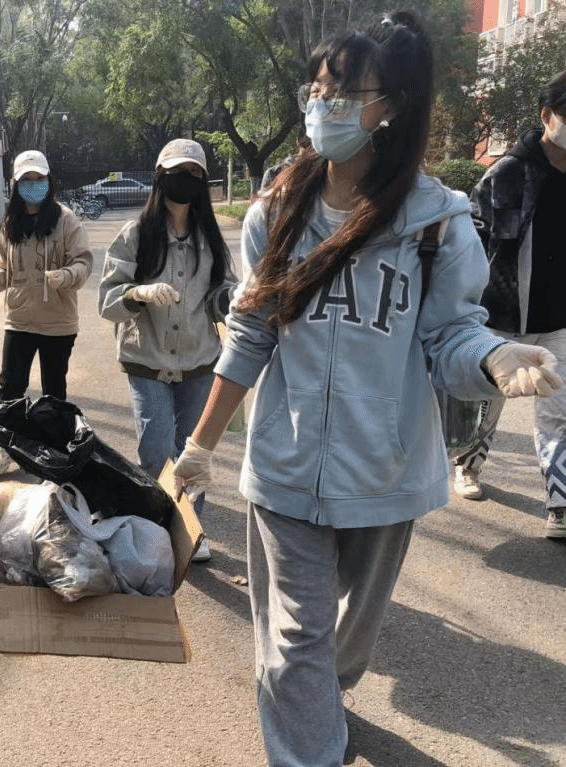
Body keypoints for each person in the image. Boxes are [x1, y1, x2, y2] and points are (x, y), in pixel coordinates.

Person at [171, 13, 561, 766]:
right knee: (295, 642)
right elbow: (250, 335)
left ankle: (320, 704)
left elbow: (449, 337)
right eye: (317, 89)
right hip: (285, 468)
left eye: (344, 92)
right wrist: (200, 446)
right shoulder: (275, 212)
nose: (324, 105)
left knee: (341, 647)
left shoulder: (435, 222)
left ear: (390, 107)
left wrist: (493, 356)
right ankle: (310, 744)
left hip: (384, 474)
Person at [97, 138, 235, 563]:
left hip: (198, 360)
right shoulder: (135, 235)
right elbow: (107, 301)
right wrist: (137, 294)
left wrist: (235, 299)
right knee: (156, 450)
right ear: (160, 177)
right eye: (177, 172)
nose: (185, 180)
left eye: (194, 173)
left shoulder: (210, 238)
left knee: (192, 451)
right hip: (148, 360)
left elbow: (221, 295)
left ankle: (191, 530)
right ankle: (157, 528)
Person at [450, 70, 566, 537]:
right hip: (503, 315)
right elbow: (472, 239)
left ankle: (560, 502)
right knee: (487, 404)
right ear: (547, 116)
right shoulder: (509, 172)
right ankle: (468, 466)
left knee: (558, 412)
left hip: (559, 319)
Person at [0, 149, 93, 476]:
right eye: (26, 179)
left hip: (58, 323)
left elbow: (83, 262)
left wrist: (65, 276)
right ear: (15, 184)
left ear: (48, 181)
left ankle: (55, 451)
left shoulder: (66, 220)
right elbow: (3, 272)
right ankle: (6, 448)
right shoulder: (11, 224)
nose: (33, 185)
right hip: (19, 320)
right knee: (9, 388)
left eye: (38, 179)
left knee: (54, 393)